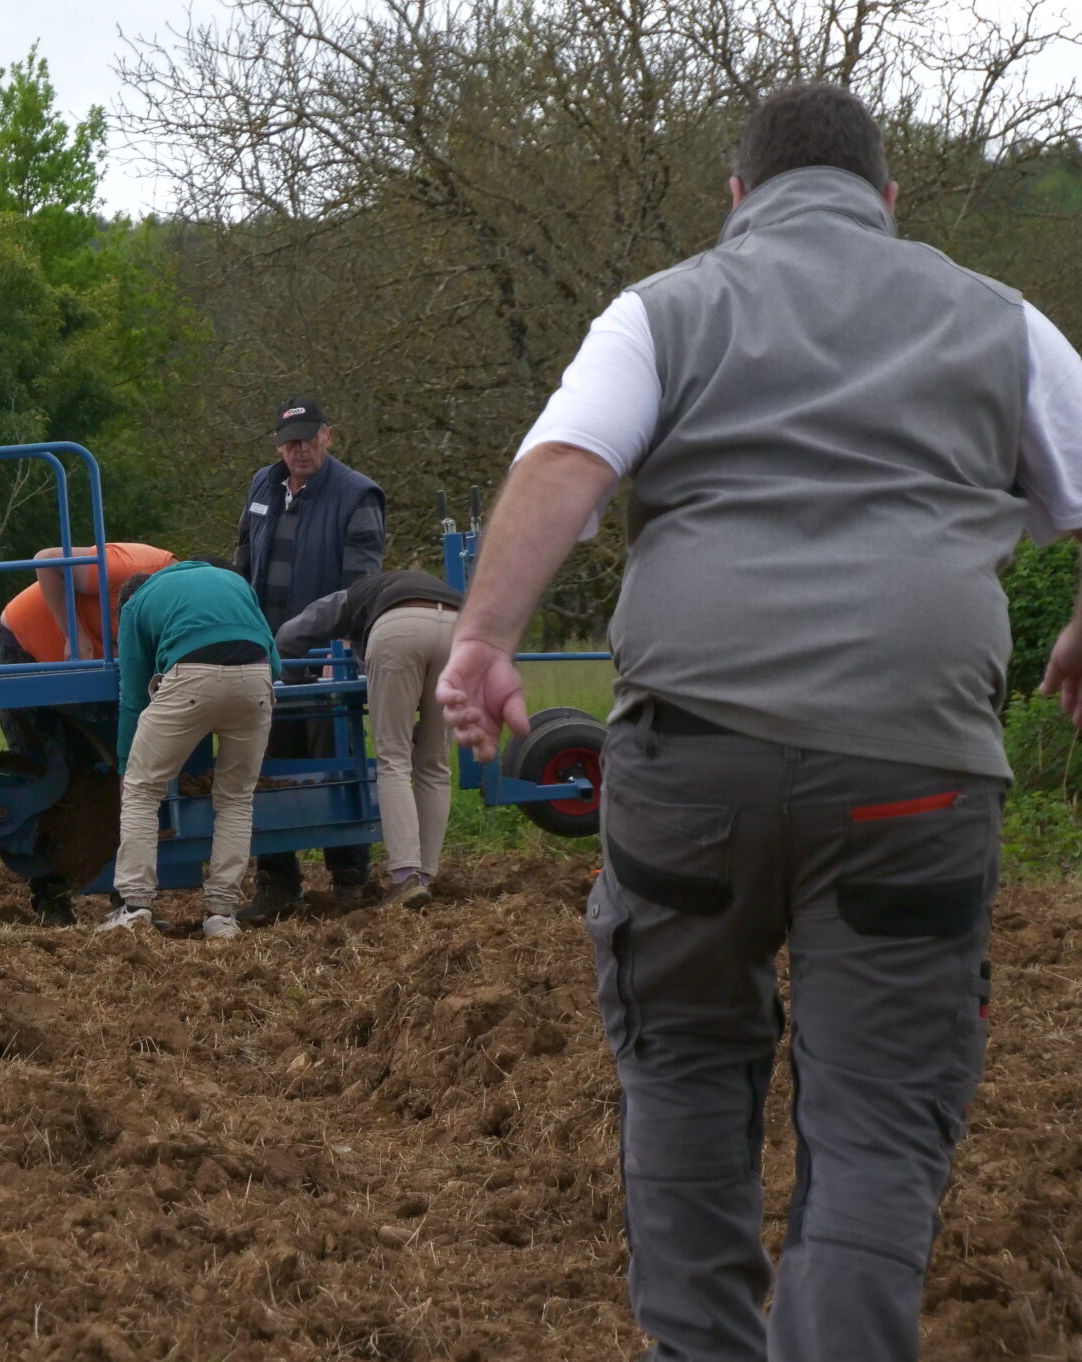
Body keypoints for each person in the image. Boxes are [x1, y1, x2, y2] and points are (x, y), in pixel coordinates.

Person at [437, 84, 1082, 1361]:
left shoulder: (666, 308)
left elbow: (566, 462)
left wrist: (483, 641)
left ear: (736, 199)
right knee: (880, 1125)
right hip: (912, 769)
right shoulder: (1000, 323)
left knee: (680, 1067)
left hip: (692, 763)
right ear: (887, 203)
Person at [231, 396, 387, 921]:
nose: (299, 449)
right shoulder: (262, 485)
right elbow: (243, 560)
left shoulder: (356, 494)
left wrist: (342, 645)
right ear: (278, 444)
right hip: (267, 652)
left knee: (335, 763)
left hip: (324, 654)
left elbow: (362, 582)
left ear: (329, 436)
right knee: (266, 764)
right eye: (290, 441)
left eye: (308, 438)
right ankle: (277, 884)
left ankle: (350, 882)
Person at [0, 542, 179, 922]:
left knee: (119, 774)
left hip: (97, 676)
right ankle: (51, 899)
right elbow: (46, 560)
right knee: (50, 774)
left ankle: (126, 899)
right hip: (28, 648)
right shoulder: (131, 567)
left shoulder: (180, 607)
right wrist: (75, 635)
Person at [102, 558, 280, 940]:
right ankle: (222, 916)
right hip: (256, 679)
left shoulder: (136, 606)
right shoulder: (233, 582)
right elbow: (275, 663)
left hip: (190, 677)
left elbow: (133, 696)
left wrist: (123, 763)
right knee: (235, 799)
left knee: (142, 789)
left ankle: (134, 907)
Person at [276, 569, 463, 909]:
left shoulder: (349, 597)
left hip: (398, 630)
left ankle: (405, 877)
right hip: (459, 630)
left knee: (393, 760)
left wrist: (294, 680)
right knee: (434, 764)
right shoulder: (422, 584)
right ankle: (425, 875)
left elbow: (290, 636)